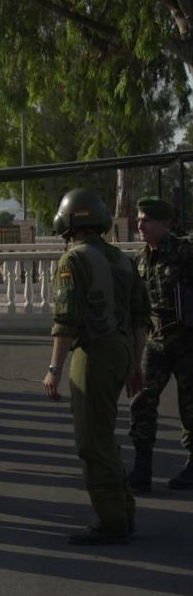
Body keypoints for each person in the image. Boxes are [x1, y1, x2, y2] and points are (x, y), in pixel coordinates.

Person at [42, 188, 149, 545]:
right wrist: (136, 363)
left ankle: (111, 522)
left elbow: (66, 320)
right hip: (122, 351)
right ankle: (123, 511)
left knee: (91, 440)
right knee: (104, 434)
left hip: (95, 354)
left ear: (69, 220)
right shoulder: (123, 259)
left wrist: (54, 368)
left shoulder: (73, 260)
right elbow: (140, 318)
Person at [127, 197, 193, 491]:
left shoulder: (185, 251)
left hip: (188, 341)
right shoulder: (142, 259)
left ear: (166, 223)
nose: (141, 225)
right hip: (156, 342)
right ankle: (142, 467)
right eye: (140, 219)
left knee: (190, 404)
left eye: (148, 220)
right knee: (142, 400)